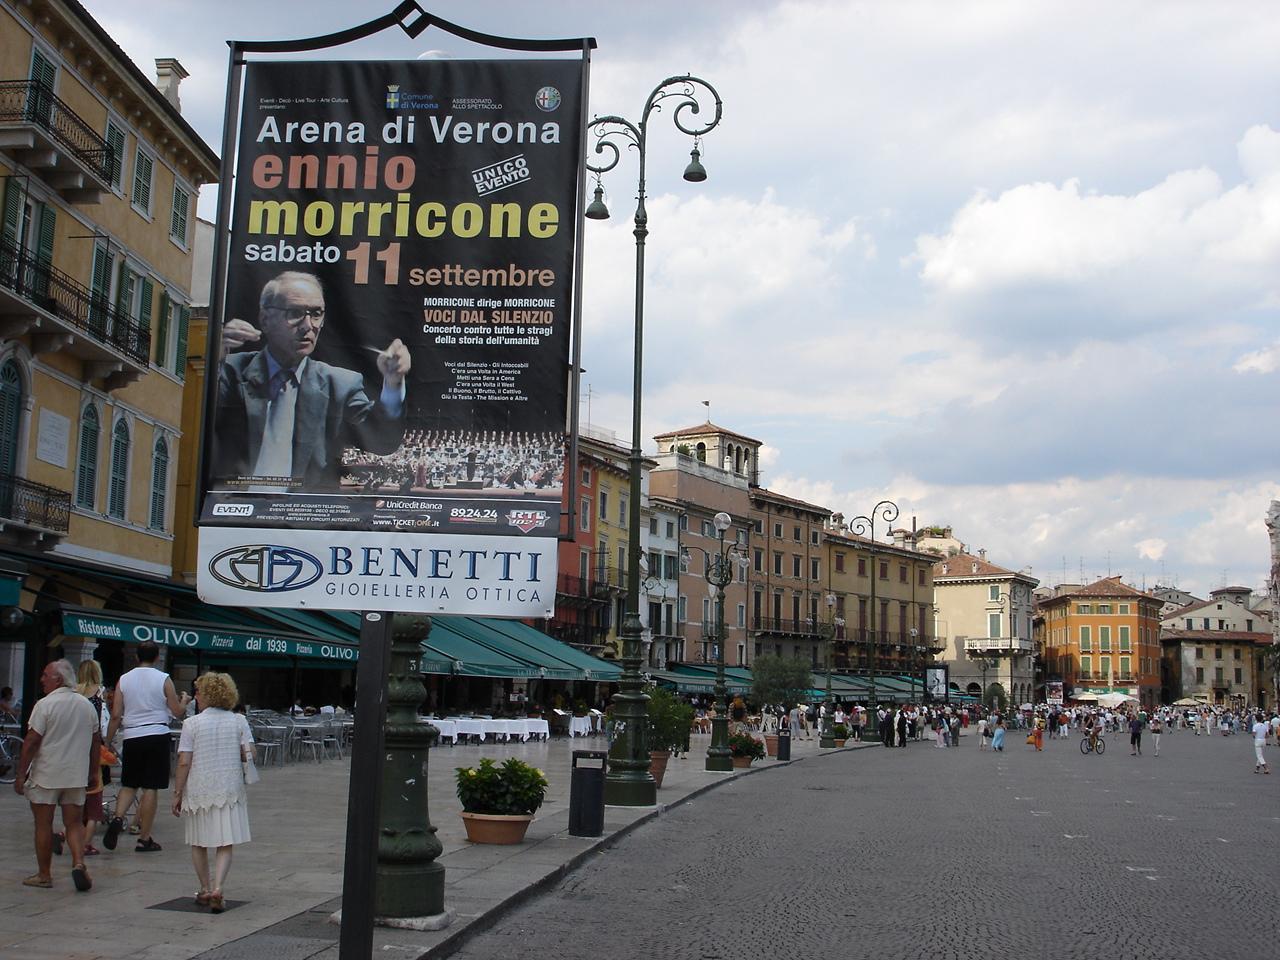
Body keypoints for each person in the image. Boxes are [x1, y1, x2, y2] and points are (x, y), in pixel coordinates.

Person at [215, 271, 411, 488]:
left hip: (305, 507)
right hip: (237, 504)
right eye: (295, 313)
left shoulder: (340, 384)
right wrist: (216, 355)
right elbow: (201, 422)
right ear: (265, 319)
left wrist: (393, 383)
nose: (308, 325)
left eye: (316, 314)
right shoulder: (230, 370)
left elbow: (383, 441)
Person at [14, 660, 100, 891]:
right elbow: (95, 742)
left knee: (43, 824)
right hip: (75, 774)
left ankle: (44, 875)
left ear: (58, 679)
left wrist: (21, 774)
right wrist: (93, 771)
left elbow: (32, 740)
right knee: (74, 823)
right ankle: (79, 862)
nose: (42, 679)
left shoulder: (45, 705)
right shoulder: (86, 706)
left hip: (47, 774)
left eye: (46, 675)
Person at [172, 673, 254, 913]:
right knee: (225, 841)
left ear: (206, 695)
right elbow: (250, 753)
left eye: (198, 692)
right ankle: (219, 887)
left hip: (200, 788)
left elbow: (184, 761)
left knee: (198, 841)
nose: (195, 696)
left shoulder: (192, 724)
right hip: (229, 787)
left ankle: (205, 888)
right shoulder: (238, 721)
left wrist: (177, 792)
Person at [103, 641, 191, 853]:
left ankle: (118, 818)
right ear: (157, 657)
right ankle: (144, 838)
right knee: (151, 787)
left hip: (132, 735)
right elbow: (177, 711)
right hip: (156, 734)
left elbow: (116, 715)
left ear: (136, 657)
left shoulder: (124, 679)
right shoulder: (163, 679)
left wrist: (108, 740)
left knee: (129, 783)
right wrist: (185, 701)